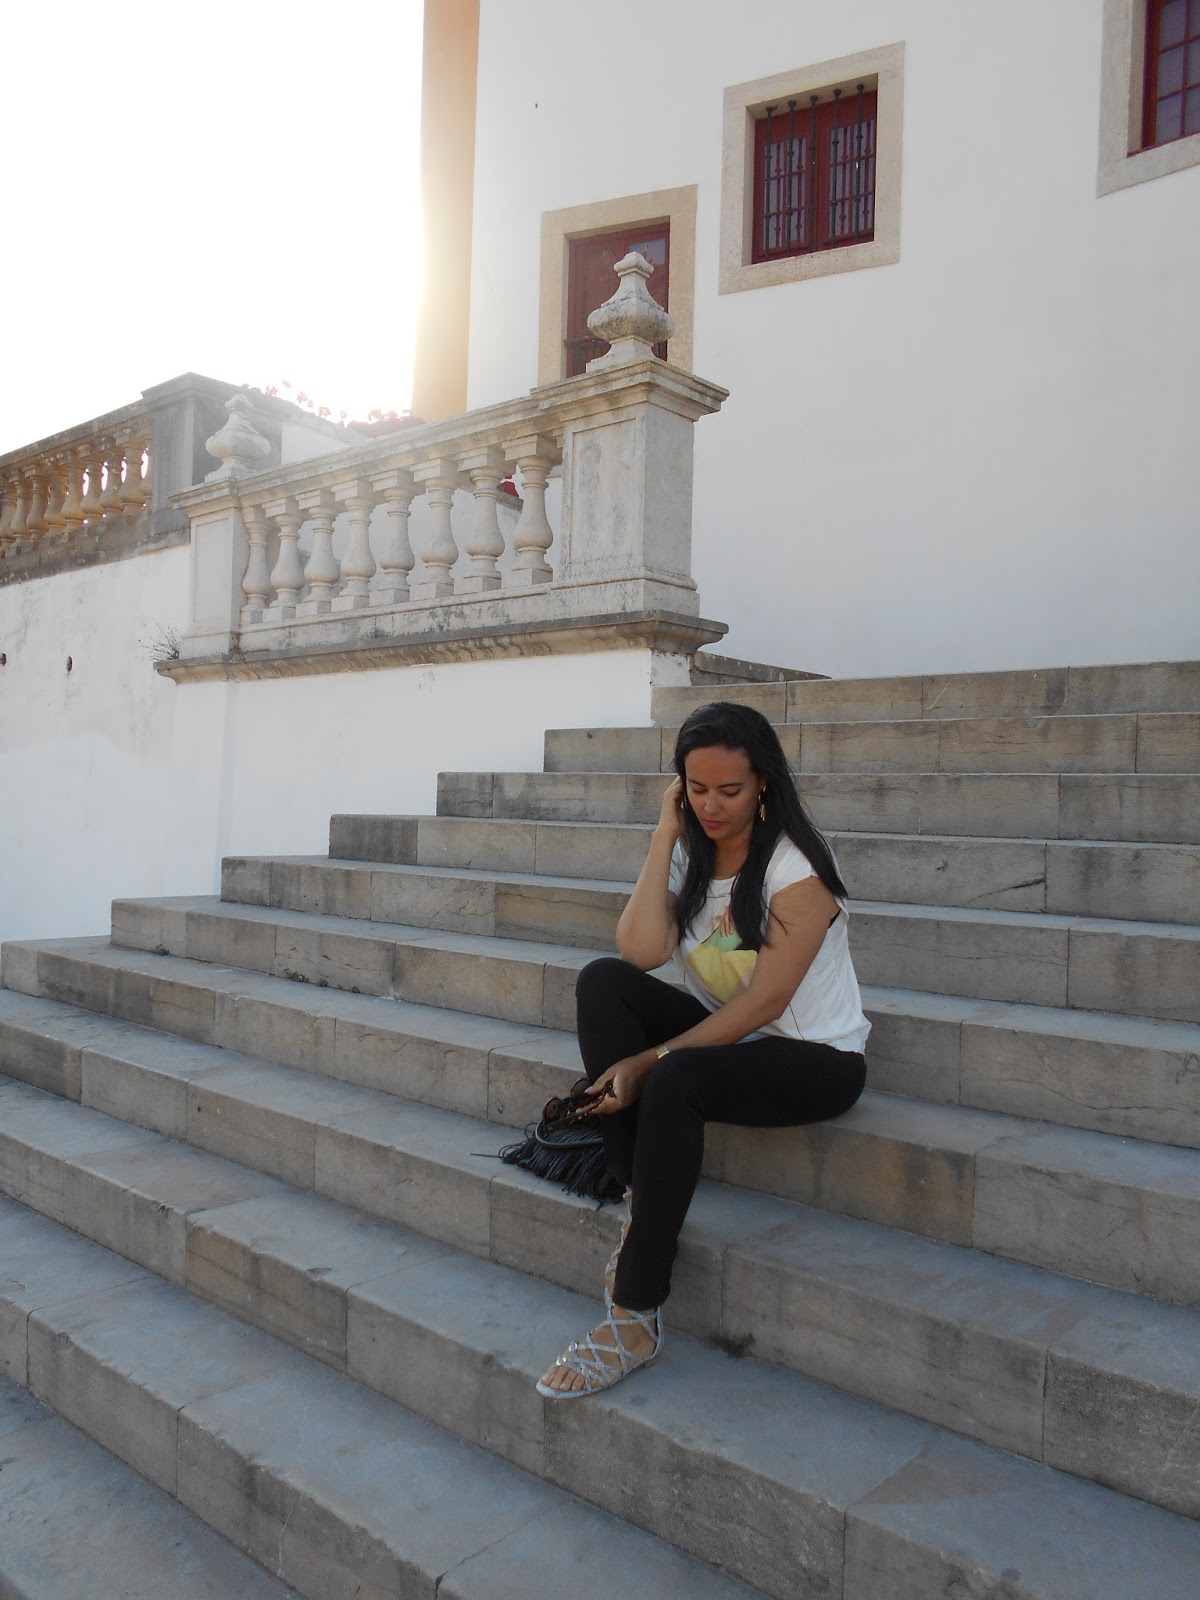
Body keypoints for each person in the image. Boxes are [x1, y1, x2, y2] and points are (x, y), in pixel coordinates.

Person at [536, 700, 870, 1399]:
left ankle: (635, 1316)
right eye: (696, 789)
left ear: (763, 784)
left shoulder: (796, 866)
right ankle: (639, 1195)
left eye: (730, 790)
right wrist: (665, 834)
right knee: (603, 983)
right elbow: (640, 950)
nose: (711, 806)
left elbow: (766, 1002)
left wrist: (651, 1060)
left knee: (675, 1076)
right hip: (729, 1035)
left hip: (814, 1058)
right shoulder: (690, 849)